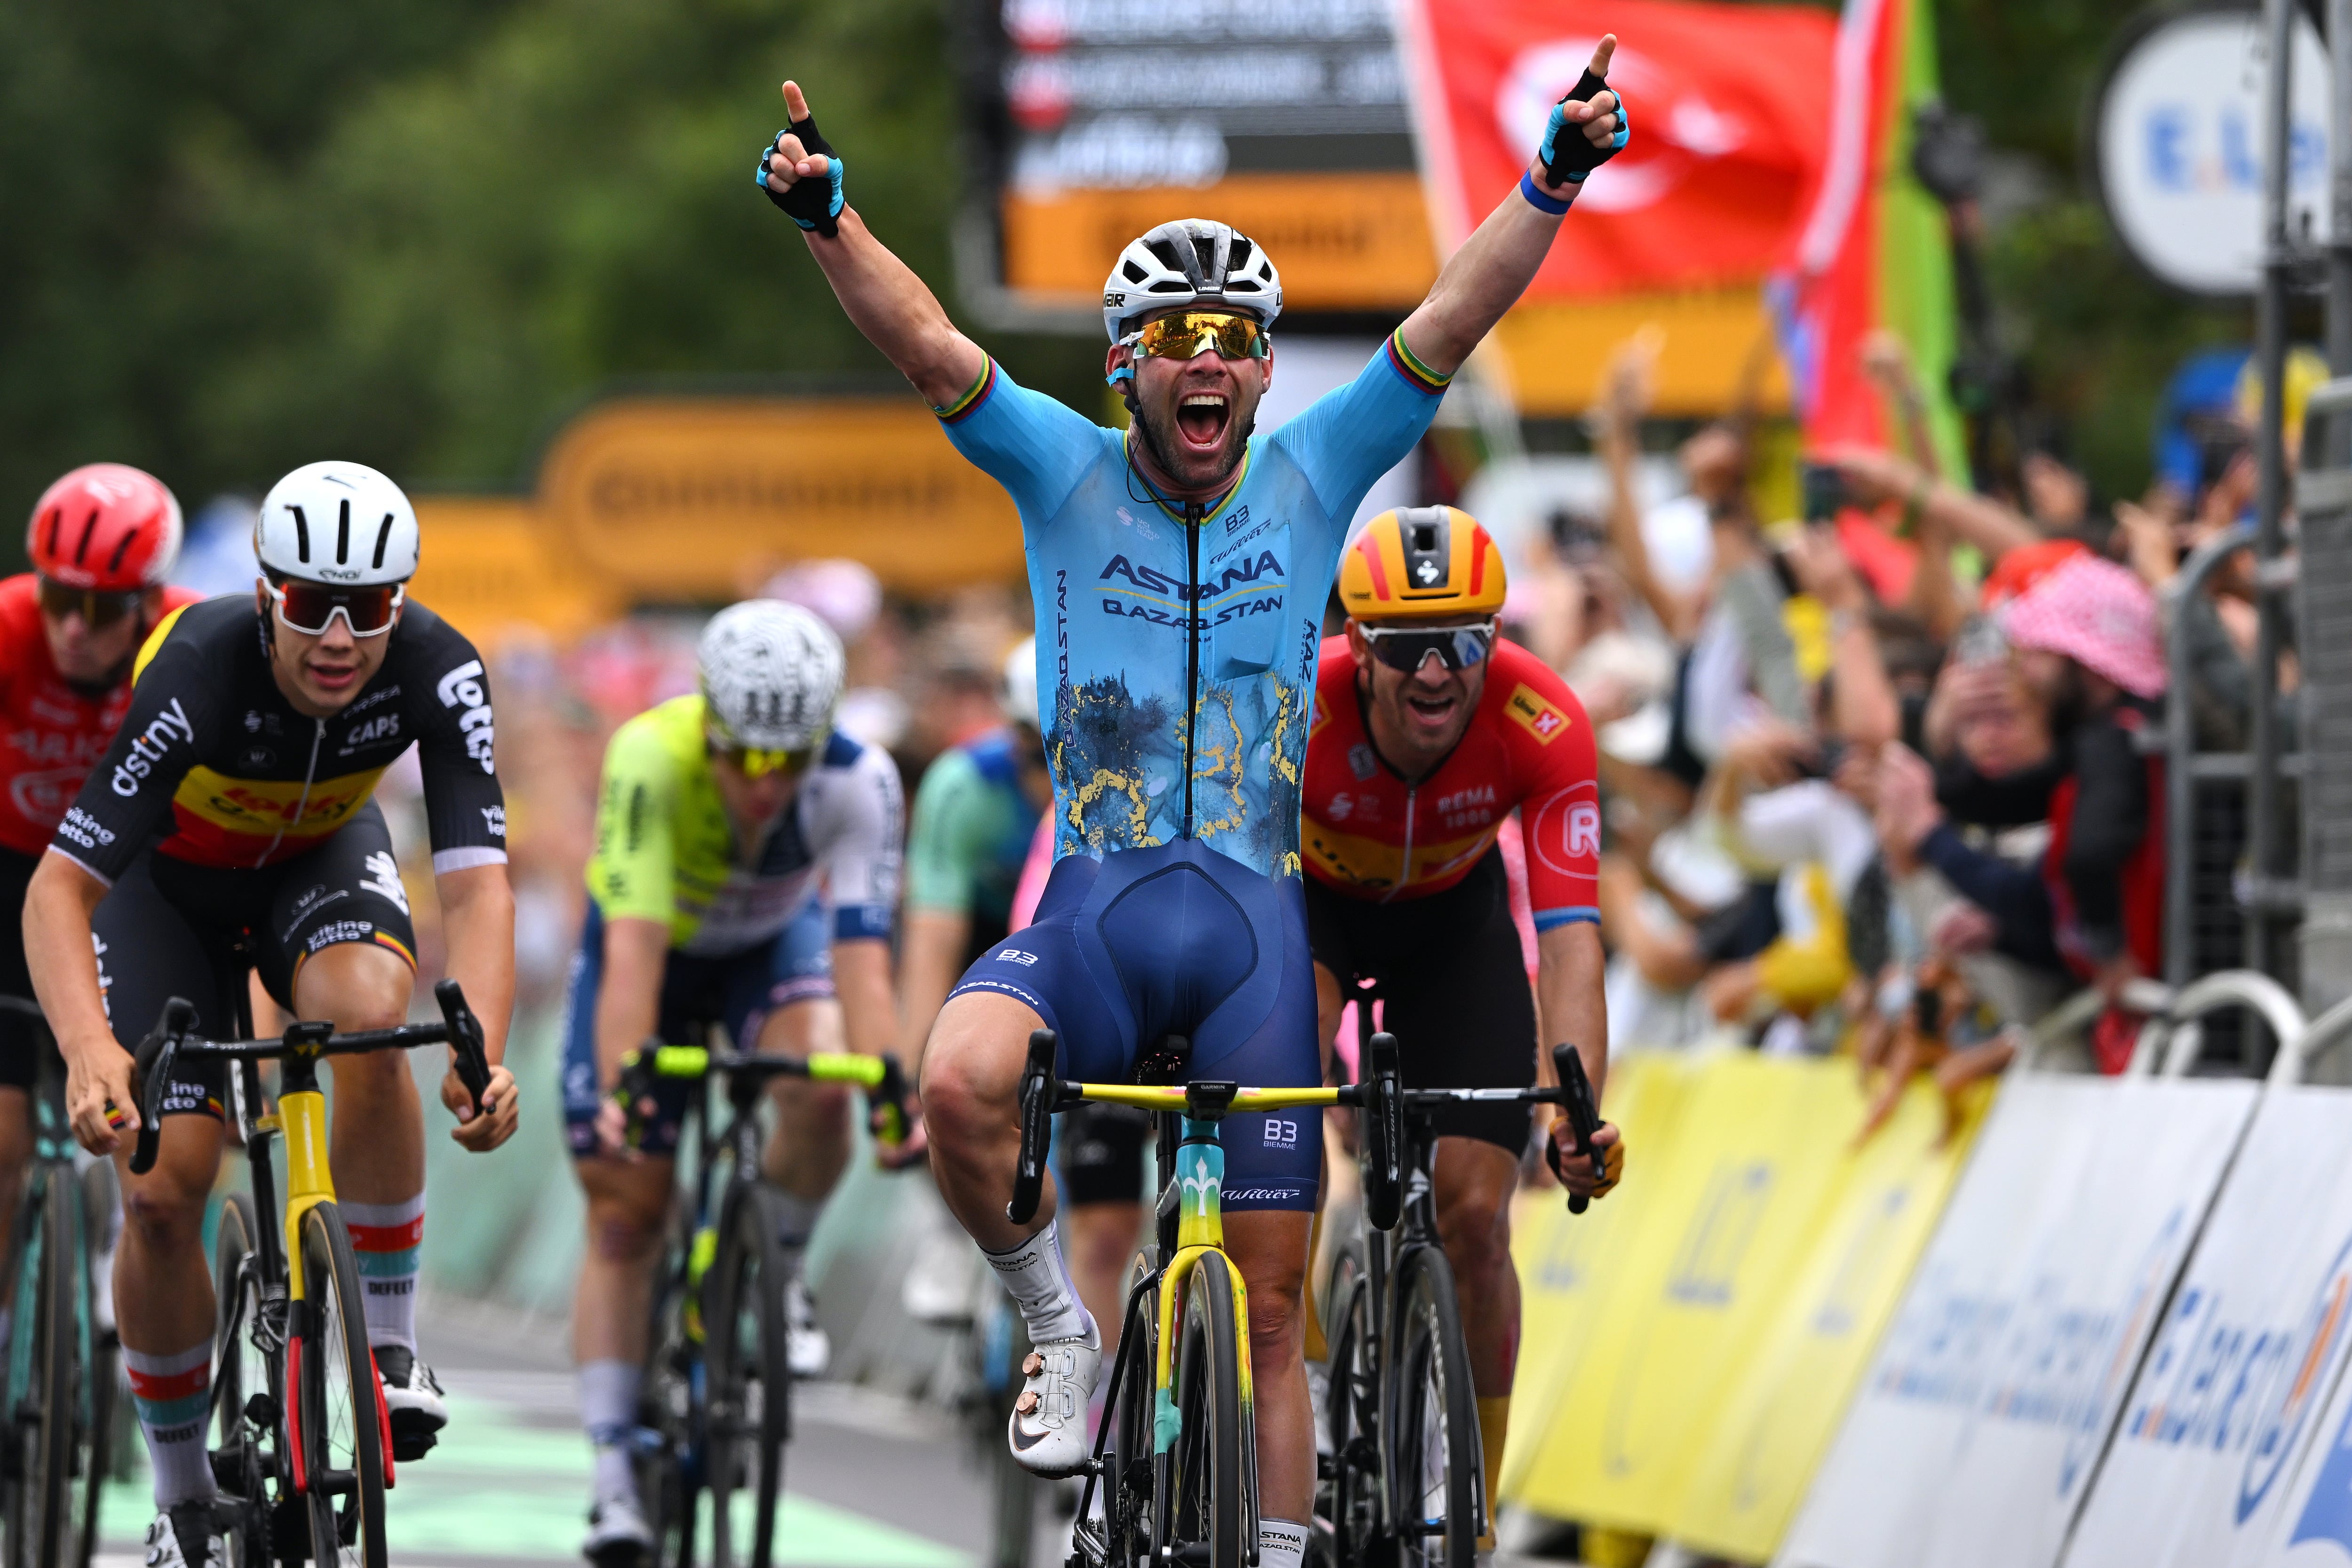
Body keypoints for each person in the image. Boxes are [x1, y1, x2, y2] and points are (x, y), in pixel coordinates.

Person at [759, 37, 1634, 1565]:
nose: (1209, 358)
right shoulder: (1060, 467)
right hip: (1096, 915)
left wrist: (1551, 177)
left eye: (1235, 333)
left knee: (1278, 1307)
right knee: (962, 1081)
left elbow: (1450, 314)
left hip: (1251, 935)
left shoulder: (1310, 477)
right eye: (1175, 335)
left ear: (1261, 360)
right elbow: (929, 343)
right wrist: (833, 218)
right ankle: (1054, 1331)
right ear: (1129, 365)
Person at [23, 460, 523, 1568]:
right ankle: (180, 1492)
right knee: (162, 1193)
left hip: (316, 865)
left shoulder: (441, 669)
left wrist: (478, 1041)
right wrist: (89, 1046)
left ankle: (386, 1351)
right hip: (169, 898)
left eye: (372, 606)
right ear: (265, 592)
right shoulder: (199, 667)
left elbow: (481, 881)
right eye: (310, 604)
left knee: (371, 1014)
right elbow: (60, 886)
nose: (339, 636)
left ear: (405, 601)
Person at [561, 599, 904, 1565]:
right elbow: (630, 956)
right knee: (626, 1209)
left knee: (823, 1080)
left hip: (768, 942)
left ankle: (777, 1277)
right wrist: (628, 1089)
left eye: (788, 759)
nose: (764, 781)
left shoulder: (860, 777)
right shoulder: (651, 757)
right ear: (708, 722)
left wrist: (889, 1088)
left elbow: (863, 956)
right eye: (744, 755)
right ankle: (612, 1474)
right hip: (655, 951)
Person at [1300, 507, 1618, 1536]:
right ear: (1358, 642)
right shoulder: (1294, 703)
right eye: (1402, 644)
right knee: (1278, 1142)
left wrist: (1577, 1111)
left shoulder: (1544, 718)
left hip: (1454, 927)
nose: (1435, 671)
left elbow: (1570, 936)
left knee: (1478, 1219)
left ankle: (1470, 1493)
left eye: (1463, 642)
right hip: (1310, 914)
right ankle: (1286, 1392)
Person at [0, 466, 200, 1257]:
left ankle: (128, 1243)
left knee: (145, 1097)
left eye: (101, 607)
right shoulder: (10, 627)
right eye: (59, 600)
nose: (73, 629)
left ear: (150, 602)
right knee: (3, 1137)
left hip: (130, 877)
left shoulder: (188, 642)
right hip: (14, 868)